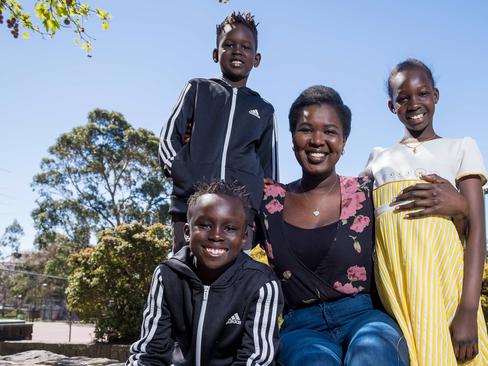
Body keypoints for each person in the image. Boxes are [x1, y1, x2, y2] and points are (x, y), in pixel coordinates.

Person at [257, 85, 460, 365]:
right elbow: (219, 233)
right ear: (292, 139)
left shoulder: (368, 192)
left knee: (372, 356)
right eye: (306, 130)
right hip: (301, 328)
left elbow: (425, 233)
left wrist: (462, 205)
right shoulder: (267, 200)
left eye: (330, 131)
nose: (318, 140)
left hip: (364, 318)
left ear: (343, 142)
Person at [363, 59, 488, 365]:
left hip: (446, 293)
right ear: (391, 106)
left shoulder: (461, 148)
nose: (414, 103)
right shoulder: (378, 159)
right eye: (403, 98)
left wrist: (468, 311)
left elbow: (477, 232)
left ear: (435, 95)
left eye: (422, 94)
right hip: (396, 299)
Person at [158, 11, 278, 253]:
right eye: (229, 45)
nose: (237, 51)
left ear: (256, 58)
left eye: (246, 46)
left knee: (234, 286)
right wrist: (182, 171)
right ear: (216, 54)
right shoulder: (197, 89)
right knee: (184, 275)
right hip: (190, 209)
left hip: (240, 217)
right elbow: (168, 138)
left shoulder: (263, 109)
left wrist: (255, 202)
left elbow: (269, 173)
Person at [127, 180, 283, 366]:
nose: (216, 236)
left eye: (230, 228)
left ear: (244, 238)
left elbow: (256, 360)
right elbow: (150, 351)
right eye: (205, 225)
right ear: (187, 232)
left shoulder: (260, 283)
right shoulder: (167, 275)